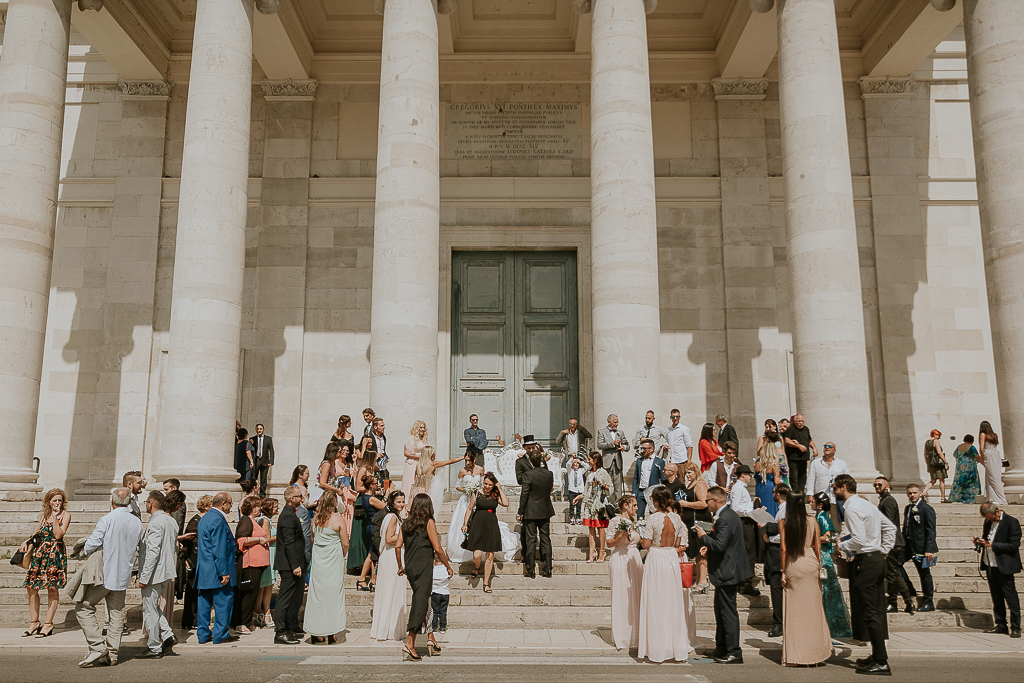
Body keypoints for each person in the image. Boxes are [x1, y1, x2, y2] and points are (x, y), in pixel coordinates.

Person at [834, 474, 897, 676]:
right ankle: (877, 654)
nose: (834, 491)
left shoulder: (851, 507)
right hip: (876, 558)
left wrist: (840, 545)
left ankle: (881, 660)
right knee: (875, 610)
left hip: (867, 562)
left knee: (870, 611)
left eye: (835, 487)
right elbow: (890, 528)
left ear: (844, 487)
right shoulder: (866, 504)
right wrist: (883, 549)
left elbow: (859, 539)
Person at [75, 487, 143, 668]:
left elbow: (94, 542)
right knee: (117, 613)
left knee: (83, 607)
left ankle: (97, 647)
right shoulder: (137, 522)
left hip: (104, 572)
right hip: (123, 573)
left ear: (112, 502)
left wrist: (83, 549)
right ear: (130, 502)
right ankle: (112, 653)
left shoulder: (107, 519)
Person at [695, 486, 750, 664]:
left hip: (728, 570)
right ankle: (721, 647)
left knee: (727, 612)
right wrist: (708, 545)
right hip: (726, 569)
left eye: (708, 500)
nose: (706, 503)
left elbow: (720, 545)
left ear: (715, 501)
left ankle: (734, 651)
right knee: (720, 611)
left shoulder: (725, 518)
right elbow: (721, 542)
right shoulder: (727, 515)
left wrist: (703, 536)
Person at [397, 494, 454, 660]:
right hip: (423, 567)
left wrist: (401, 566)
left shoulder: (406, 523)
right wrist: (447, 565)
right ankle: (409, 643)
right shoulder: (428, 522)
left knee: (423, 601)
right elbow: (437, 548)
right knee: (420, 603)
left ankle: (431, 639)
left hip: (411, 567)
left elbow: (398, 545)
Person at [637, 487, 692, 662]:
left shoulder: (653, 518)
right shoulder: (676, 518)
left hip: (657, 557)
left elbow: (646, 544)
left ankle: (655, 647)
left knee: (655, 601)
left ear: (656, 501)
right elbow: (678, 542)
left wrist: (641, 536)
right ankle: (673, 646)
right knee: (672, 601)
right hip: (671, 557)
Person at [779, 490, 832, 666]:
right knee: (814, 611)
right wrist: (818, 563)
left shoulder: (785, 523)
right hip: (810, 562)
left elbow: (784, 549)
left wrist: (783, 571)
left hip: (794, 563)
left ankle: (795, 657)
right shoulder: (812, 521)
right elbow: (817, 546)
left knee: (794, 612)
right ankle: (815, 655)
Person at [20, 488, 70, 639]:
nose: (57, 503)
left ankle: (48, 623)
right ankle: (34, 622)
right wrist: (26, 542)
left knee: (52, 588)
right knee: (31, 587)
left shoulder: (65, 515)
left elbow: (59, 534)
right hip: (40, 554)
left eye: (59, 500)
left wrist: (55, 518)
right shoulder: (44, 514)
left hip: (55, 554)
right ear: (48, 502)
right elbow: (37, 533)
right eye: (54, 500)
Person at [137, 491, 179, 659]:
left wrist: (144, 576)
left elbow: (152, 551)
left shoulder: (156, 523)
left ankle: (154, 646)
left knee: (149, 610)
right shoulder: (171, 520)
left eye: (147, 502)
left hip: (155, 572)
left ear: (151, 504)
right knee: (153, 607)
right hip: (166, 570)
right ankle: (168, 635)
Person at [304, 491, 350, 644]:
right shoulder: (338, 520)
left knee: (317, 595)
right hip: (333, 560)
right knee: (333, 595)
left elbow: (312, 539)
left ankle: (317, 632)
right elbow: (345, 543)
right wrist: (341, 554)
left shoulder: (315, 520)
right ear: (334, 502)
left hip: (319, 560)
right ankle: (331, 631)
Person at [195, 492, 237, 645]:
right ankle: (220, 634)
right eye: (230, 504)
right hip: (217, 570)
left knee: (204, 604)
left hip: (204, 569)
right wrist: (223, 572)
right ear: (223, 503)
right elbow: (218, 549)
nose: (230, 507)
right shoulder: (218, 520)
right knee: (223, 603)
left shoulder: (205, 518)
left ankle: (203, 634)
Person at [975, 502, 1022, 637]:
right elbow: (986, 538)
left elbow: (1014, 545)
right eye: (987, 519)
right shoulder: (988, 522)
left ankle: (1016, 626)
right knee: (996, 597)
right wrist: (979, 542)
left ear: (997, 512)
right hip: (990, 563)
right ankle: (1001, 624)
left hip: (1004, 565)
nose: (990, 520)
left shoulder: (1012, 522)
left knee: (1011, 597)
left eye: (991, 518)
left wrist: (992, 545)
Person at [462, 472, 511, 592]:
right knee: (476, 555)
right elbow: (469, 509)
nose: (487, 486)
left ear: (493, 484)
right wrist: (465, 524)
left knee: (490, 556)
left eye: (489, 484)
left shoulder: (495, 494)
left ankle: (486, 583)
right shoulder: (477, 493)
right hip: (477, 525)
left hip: (491, 526)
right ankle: (477, 566)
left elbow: (506, 503)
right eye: (485, 484)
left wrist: (499, 488)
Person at [812, 492, 852, 638]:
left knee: (828, 593)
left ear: (820, 504)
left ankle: (834, 627)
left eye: (813, 502)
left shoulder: (822, 517)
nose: (810, 504)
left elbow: (828, 537)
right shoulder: (819, 516)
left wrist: (811, 536)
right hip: (820, 554)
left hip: (824, 557)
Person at [873, 477, 915, 614]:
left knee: (892, 574)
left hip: (892, 542)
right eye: (875, 485)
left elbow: (888, 523)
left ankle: (894, 603)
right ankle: (907, 602)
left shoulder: (888, 501)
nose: (877, 487)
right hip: (893, 542)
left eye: (880, 484)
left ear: (887, 486)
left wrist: (884, 542)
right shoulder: (885, 500)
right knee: (894, 573)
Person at [608, 494, 644, 650]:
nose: (636, 508)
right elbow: (609, 542)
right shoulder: (615, 521)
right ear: (625, 506)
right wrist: (621, 536)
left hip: (635, 557)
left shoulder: (635, 522)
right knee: (622, 595)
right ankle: (622, 635)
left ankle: (636, 634)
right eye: (634, 505)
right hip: (620, 558)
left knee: (636, 596)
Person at [371, 492, 408, 641]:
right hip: (392, 555)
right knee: (390, 590)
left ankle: (388, 627)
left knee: (391, 590)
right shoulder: (392, 517)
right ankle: (388, 628)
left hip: (390, 556)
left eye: (403, 501)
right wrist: (406, 536)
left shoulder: (395, 517)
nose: (401, 504)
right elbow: (389, 538)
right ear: (392, 503)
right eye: (398, 501)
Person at [232, 496, 271, 633]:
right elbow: (241, 540)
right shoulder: (246, 520)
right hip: (250, 564)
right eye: (257, 506)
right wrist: (259, 539)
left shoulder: (252, 521)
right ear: (251, 507)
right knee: (248, 594)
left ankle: (247, 622)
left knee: (253, 594)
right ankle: (241, 623)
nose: (259, 508)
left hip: (257, 564)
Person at [274, 486, 306, 644]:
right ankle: (280, 632)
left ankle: (288, 627)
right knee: (285, 598)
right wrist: (295, 565)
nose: (302, 498)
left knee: (294, 597)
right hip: (288, 565)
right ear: (291, 499)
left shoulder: (291, 514)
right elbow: (289, 543)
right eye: (300, 496)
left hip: (295, 563)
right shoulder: (287, 516)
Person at [518, 449, 556, 578]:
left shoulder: (528, 475)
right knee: (545, 538)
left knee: (531, 539)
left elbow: (524, 494)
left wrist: (520, 511)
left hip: (531, 510)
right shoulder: (549, 474)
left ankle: (530, 568)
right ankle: (548, 567)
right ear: (541, 460)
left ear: (530, 462)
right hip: (545, 509)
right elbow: (549, 489)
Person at [679, 461, 713, 593]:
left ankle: (703, 581)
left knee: (701, 551)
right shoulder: (691, 484)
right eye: (685, 473)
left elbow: (703, 503)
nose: (687, 475)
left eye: (689, 472)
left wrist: (685, 504)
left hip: (700, 522)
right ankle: (699, 579)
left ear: (696, 471)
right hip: (691, 523)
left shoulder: (700, 483)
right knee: (697, 553)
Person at [903, 483, 938, 612]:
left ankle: (928, 601)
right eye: (910, 493)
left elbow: (931, 530)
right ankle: (909, 588)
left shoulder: (926, 508)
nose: (912, 495)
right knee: (895, 564)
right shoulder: (908, 508)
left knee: (924, 574)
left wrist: (929, 549)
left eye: (914, 493)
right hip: (908, 545)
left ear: (920, 493)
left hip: (922, 548)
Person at [574, 451, 613, 563]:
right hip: (590, 504)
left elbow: (610, 488)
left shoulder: (603, 473)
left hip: (599, 504)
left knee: (600, 528)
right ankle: (592, 551)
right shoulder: (590, 473)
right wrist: (580, 497)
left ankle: (602, 551)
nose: (588, 461)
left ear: (595, 460)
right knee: (591, 528)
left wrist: (602, 485)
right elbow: (588, 490)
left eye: (590, 459)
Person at [447, 451, 485, 561]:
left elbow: (482, 484)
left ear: (474, 459)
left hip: (477, 498)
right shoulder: (462, 471)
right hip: (466, 499)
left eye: (469, 460)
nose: (467, 463)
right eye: (466, 460)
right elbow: (457, 486)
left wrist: (477, 490)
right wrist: (467, 490)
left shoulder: (480, 469)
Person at [180, 495, 211, 631]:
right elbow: (187, 542)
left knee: (200, 589)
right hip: (194, 558)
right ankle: (190, 619)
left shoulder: (205, 520)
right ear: (206, 506)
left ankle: (198, 618)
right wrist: (186, 559)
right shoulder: (195, 521)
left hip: (201, 558)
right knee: (192, 589)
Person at [763, 484, 790, 637]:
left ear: (778, 494)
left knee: (777, 590)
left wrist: (769, 538)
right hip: (776, 554)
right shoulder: (781, 511)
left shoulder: (784, 512)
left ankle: (778, 623)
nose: (773, 494)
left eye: (774, 492)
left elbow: (783, 535)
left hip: (778, 555)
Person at [730, 464, 759, 598]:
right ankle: (745, 583)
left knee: (749, 551)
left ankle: (744, 582)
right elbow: (736, 508)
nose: (750, 478)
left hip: (746, 521)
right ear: (743, 475)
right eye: (749, 475)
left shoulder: (740, 488)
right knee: (748, 552)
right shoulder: (738, 488)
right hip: (743, 522)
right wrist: (752, 511)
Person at [408, 445, 462, 513]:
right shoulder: (433, 464)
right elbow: (451, 461)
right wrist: (463, 457)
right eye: (433, 453)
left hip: (415, 492)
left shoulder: (418, 466)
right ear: (430, 455)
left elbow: (415, 480)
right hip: (427, 492)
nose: (435, 454)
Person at [355, 477, 387, 586]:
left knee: (371, 553)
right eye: (375, 483)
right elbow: (386, 508)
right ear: (371, 486)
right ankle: (372, 580)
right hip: (374, 527)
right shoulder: (372, 499)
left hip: (369, 526)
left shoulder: (364, 496)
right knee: (374, 554)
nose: (377, 485)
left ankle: (364, 579)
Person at [806, 441, 849, 520]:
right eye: (825, 446)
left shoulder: (841, 463)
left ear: (834, 450)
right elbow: (811, 479)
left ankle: (835, 533)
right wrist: (810, 494)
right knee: (821, 522)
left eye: (830, 446)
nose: (827, 447)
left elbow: (847, 480)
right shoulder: (816, 463)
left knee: (836, 524)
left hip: (835, 498)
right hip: (821, 497)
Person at [256, 497, 279, 629]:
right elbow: (268, 539)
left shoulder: (268, 520)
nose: (277, 507)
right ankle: (261, 613)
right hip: (267, 554)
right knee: (263, 586)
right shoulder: (264, 520)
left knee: (268, 586)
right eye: (275, 505)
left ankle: (266, 612)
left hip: (272, 553)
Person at [597, 414, 630, 501]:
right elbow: (600, 445)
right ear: (609, 422)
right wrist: (612, 443)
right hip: (607, 462)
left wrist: (624, 447)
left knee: (618, 485)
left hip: (618, 462)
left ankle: (618, 504)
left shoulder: (620, 432)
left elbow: (627, 445)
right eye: (615, 422)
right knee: (605, 484)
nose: (616, 424)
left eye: (617, 422)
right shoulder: (602, 432)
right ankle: (603, 503)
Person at [630, 438, 665, 519]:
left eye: (644, 448)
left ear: (651, 449)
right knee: (639, 516)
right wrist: (634, 493)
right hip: (641, 492)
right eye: (641, 448)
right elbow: (635, 477)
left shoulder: (659, 462)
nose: (642, 450)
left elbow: (663, 479)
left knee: (654, 515)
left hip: (653, 493)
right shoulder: (639, 461)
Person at [782, 413, 817, 494]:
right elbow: (786, 440)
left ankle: (801, 495)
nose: (801, 423)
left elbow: (809, 440)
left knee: (803, 478)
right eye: (799, 421)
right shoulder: (790, 428)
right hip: (793, 458)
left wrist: (814, 448)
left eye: (802, 421)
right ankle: (795, 495)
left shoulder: (806, 429)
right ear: (794, 421)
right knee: (794, 478)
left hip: (803, 458)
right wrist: (798, 446)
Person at [979, 420, 1007, 505]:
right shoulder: (994, 435)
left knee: (992, 477)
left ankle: (1001, 499)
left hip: (989, 455)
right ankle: (992, 497)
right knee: (993, 476)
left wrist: (982, 457)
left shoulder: (983, 434)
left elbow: (981, 448)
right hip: (996, 455)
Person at [949, 434, 983, 504]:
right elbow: (977, 457)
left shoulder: (959, 447)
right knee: (970, 483)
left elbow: (955, 455)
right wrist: (984, 463)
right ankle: (970, 499)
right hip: (969, 468)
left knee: (960, 483)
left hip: (960, 468)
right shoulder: (971, 447)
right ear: (972, 441)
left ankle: (958, 498)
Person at [402, 420, 430, 498]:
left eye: (424, 427)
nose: (422, 429)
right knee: (411, 482)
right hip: (412, 463)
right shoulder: (411, 438)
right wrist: (419, 456)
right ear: (416, 428)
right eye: (420, 427)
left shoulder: (424, 439)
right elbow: (406, 453)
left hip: (423, 464)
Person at [920, 429, 949, 502]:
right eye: (938, 435)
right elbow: (939, 452)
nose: (939, 437)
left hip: (931, 463)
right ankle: (943, 498)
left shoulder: (927, 442)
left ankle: (924, 492)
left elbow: (925, 454)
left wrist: (928, 465)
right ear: (934, 435)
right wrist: (945, 462)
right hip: (938, 463)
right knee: (941, 480)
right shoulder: (936, 441)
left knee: (933, 480)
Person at [250, 423, 275, 496]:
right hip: (256, 460)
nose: (259, 430)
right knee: (254, 477)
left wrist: (271, 461)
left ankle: (262, 494)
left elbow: (271, 450)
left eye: (260, 429)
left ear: (263, 430)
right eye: (258, 429)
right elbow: (250, 450)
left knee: (263, 479)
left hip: (265, 461)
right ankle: (253, 492)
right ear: (255, 430)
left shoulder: (268, 439)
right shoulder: (252, 439)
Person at [566, 448, 589, 525]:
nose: (575, 464)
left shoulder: (580, 471)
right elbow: (568, 464)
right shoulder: (570, 471)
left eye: (577, 463)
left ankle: (578, 517)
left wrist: (581, 462)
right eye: (574, 463)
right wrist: (572, 458)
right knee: (572, 505)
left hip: (579, 490)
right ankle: (572, 517)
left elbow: (587, 467)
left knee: (579, 505)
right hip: (572, 490)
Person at [431, 555, 451, 634]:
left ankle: (434, 627)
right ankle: (443, 627)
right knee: (443, 611)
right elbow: (451, 578)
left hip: (435, 592)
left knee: (435, 611)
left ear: (434, 561)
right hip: (445, 593)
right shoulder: (446, 569)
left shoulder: (432, 570)